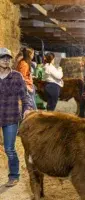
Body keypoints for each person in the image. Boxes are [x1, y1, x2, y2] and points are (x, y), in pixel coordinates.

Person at [0, 48, 32, 187]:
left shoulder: (17, 76)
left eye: (8, 57)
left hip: (11, 117)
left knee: (9, 149)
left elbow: (25, 97)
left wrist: (27, 109)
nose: (6, 60)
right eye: (3, 57)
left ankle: (14, 175)